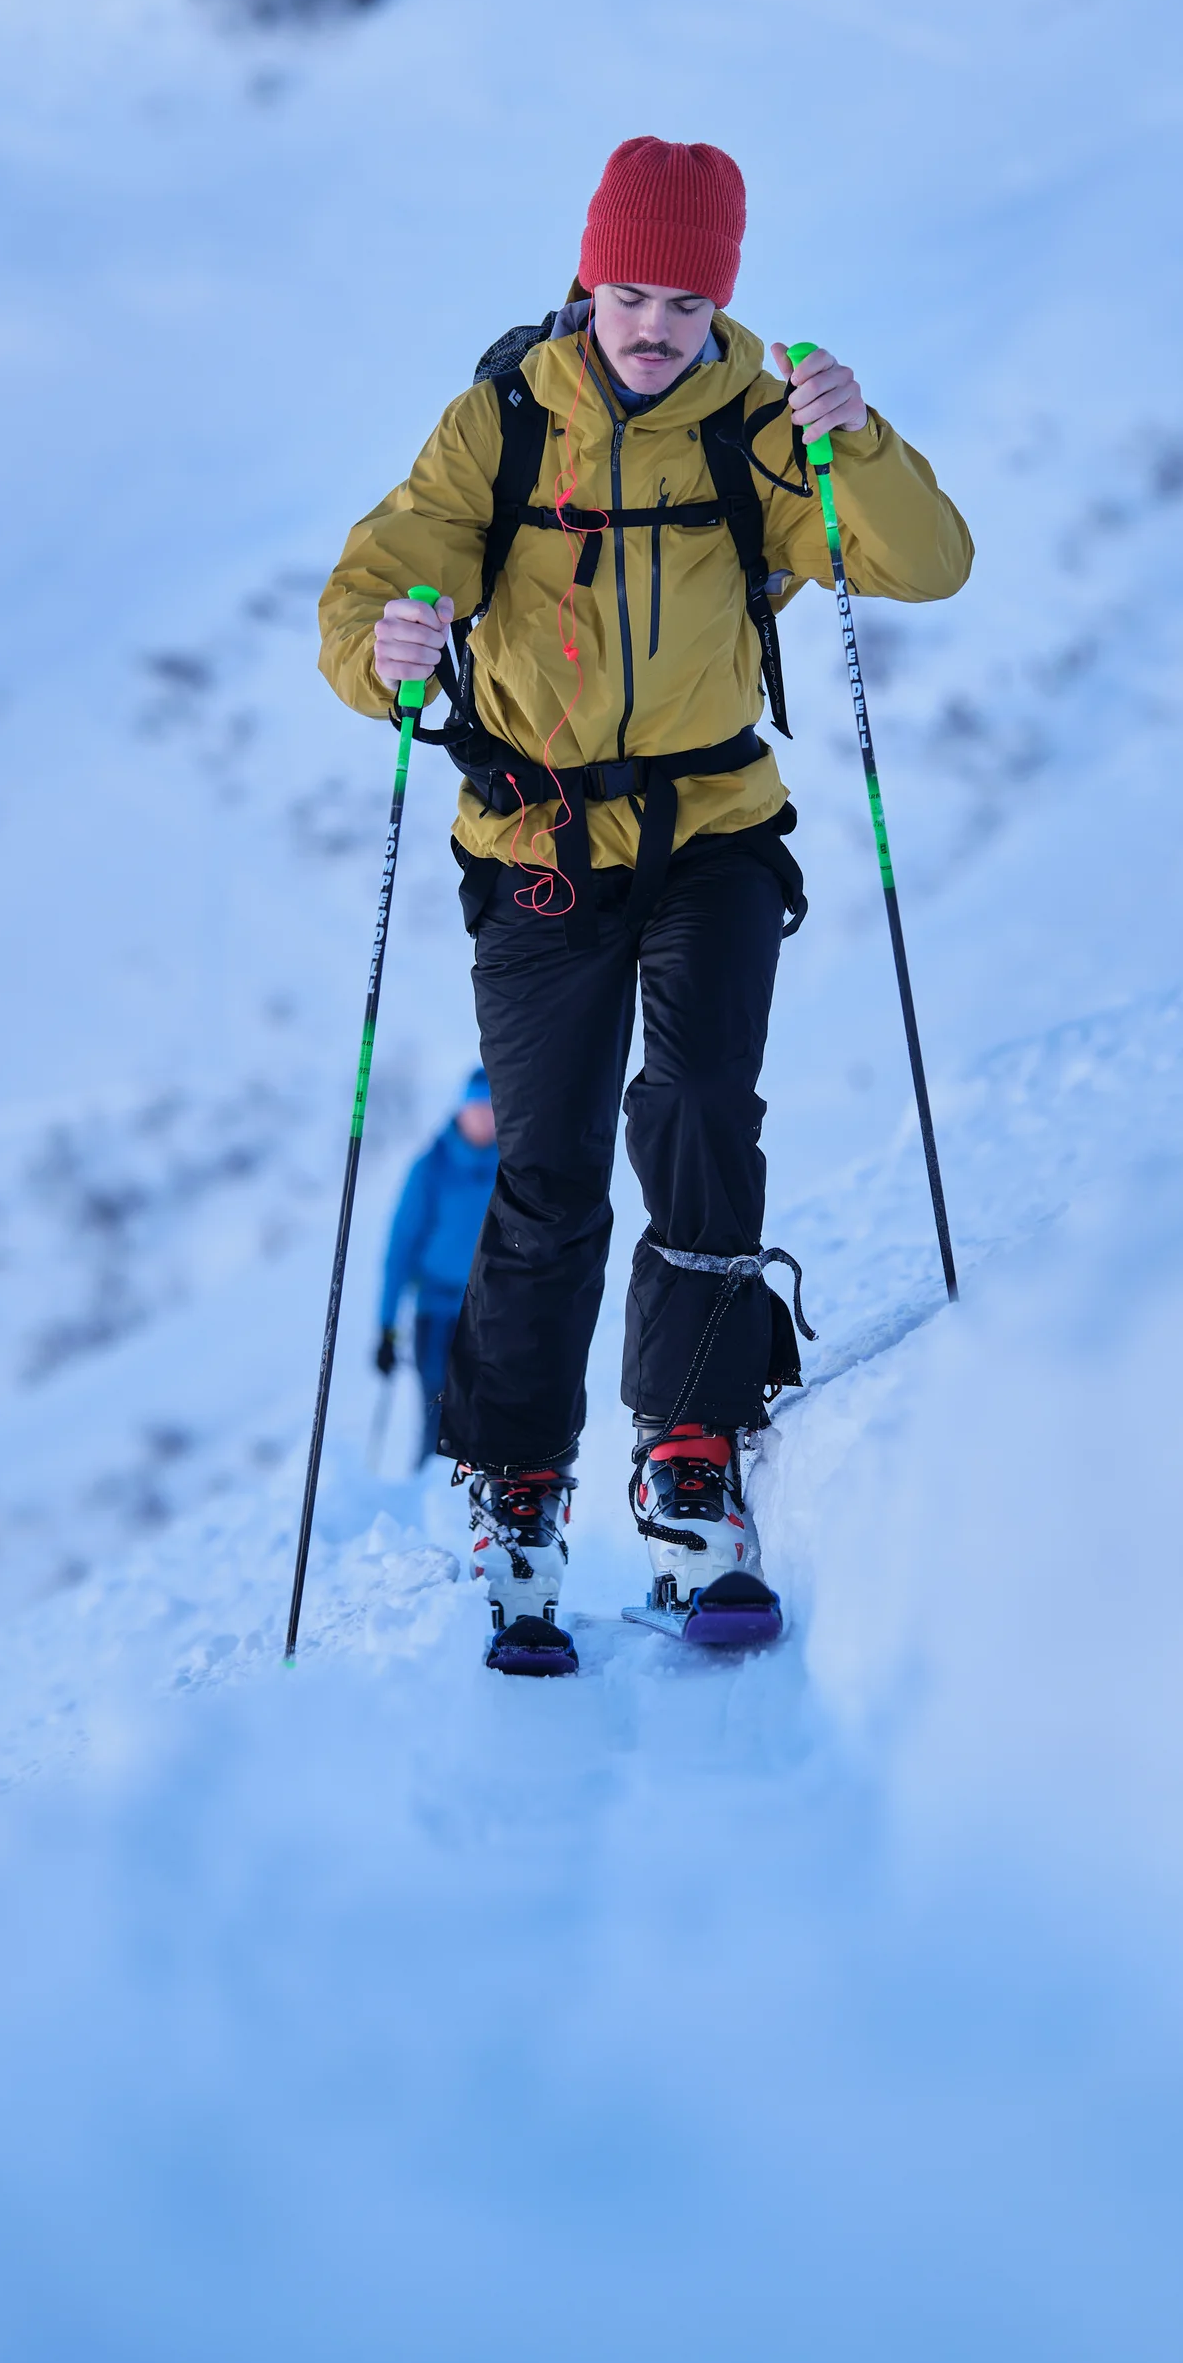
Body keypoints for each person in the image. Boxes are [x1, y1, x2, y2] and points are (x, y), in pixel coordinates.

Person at [319, 135, 972, 1675]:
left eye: (687, 299)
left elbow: (927, 565)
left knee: (695, 1110)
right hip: (537, 842)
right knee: (545, 1173)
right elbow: (374, 589)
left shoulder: (766, 425)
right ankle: (516, 1487)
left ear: (722, 299)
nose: (655, 325)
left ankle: (692, 1454)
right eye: (630, 292)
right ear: (586, 277)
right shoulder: (499, 424)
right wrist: (388, 658)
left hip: (716, 832)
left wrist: (856, 440)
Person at [374, 1066, 500, 1473]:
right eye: (475, 1108)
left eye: (490, 1108)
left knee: (491, 1411)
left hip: (496, 1310)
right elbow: (400, 1249)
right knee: (438, 1410)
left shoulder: (513, 1165)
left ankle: (485, 1491)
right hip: (436, 1312)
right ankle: (426, 1496)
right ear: (461, 1112)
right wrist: (386, 1328)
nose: (482, 1118)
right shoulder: (431, 1167)